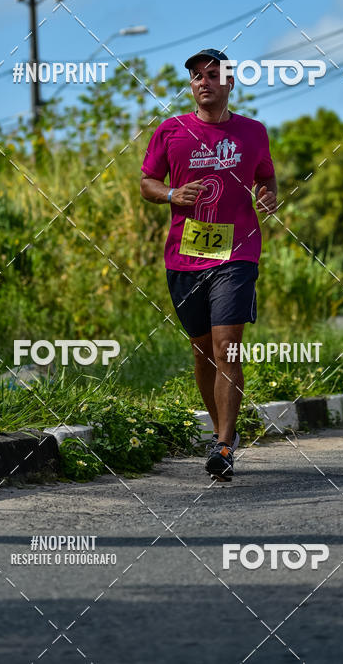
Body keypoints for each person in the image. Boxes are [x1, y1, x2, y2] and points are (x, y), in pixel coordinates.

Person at [140, 49, 277, 481]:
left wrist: (268, 194)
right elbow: (147, 182)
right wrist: (169, 194)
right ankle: (221, 428)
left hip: (237, 254)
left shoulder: (253, 133)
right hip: (185, 257)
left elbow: (266, 175)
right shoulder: (171, 131)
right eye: (197, 76)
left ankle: (223, 445)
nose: (204, 82)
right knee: (202, 352)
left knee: (225, 347)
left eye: (213, 75)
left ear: (230, 83)